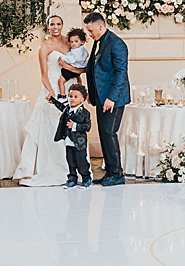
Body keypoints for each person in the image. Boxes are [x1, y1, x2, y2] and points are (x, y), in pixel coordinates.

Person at [15, 15, 79, 187]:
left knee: (73, 125)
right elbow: (43, 75)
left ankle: (75, 168)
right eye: (52, 24)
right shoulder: (45, 47)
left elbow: (79, 67)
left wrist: (79, 86)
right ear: (48, 27)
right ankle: (54, 167)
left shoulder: (70, 42)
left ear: (62, 25)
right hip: (53, 88)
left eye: (58, 24)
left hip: (71, 88)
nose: (55, 27)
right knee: (52, 127)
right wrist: (52, 93)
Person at [84, 12, 132, 186]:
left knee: (109, 133)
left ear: (100, 26)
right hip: (100, 96)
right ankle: (110, 171)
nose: (89, 34)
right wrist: (92, 92)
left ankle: (118, 174)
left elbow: (121, 74)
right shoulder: (98, 42)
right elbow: (94, 68)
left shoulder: (117, 43)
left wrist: (111, 98)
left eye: (90, 30)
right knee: (104, 134)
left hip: (114, 98)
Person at [51, 84, 94, 189]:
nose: (72, 99)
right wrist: (53, 100)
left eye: (75, 97)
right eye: (70, 96)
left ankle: (86, 178)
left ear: (82, 99)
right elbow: (61, 106)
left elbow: (87, 126)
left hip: (79, 143)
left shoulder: (85, 113)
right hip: (69, 141)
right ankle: (72, 179)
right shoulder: (67, 109)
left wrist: (74, 126)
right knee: (71, 161)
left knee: (81, 162)